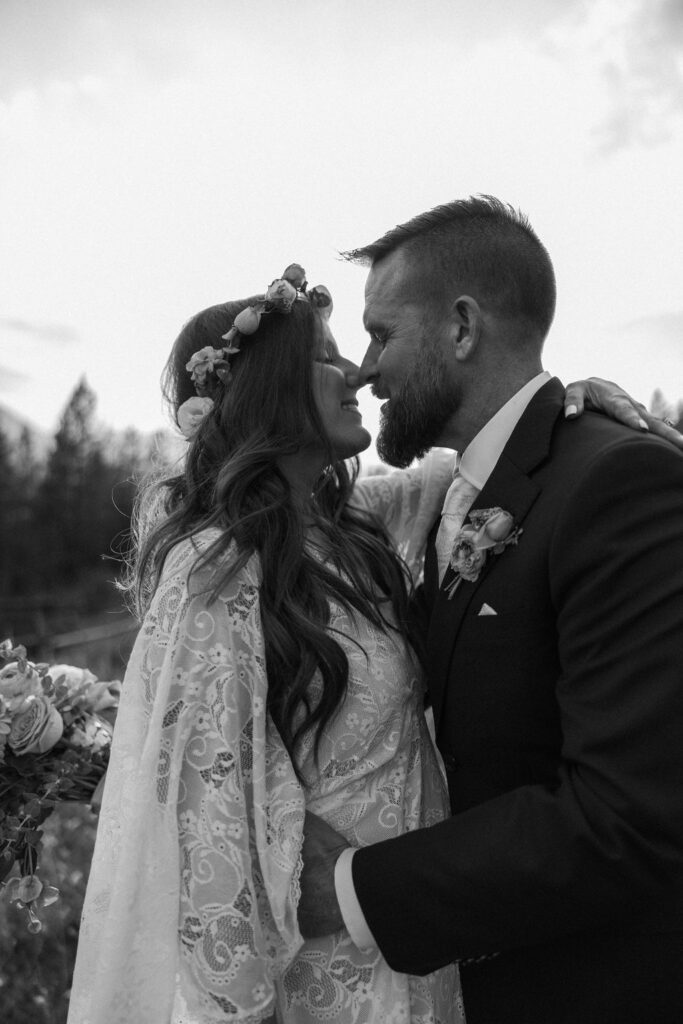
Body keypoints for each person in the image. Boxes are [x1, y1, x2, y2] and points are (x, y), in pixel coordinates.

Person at [297, 197, 683, 1024]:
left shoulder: (618, 482)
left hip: (594, 991)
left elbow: (626, 819)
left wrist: (355, 892)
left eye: (379, 333)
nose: (365, 370)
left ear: (462, 328)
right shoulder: (451, 495)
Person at [66, 270, 465, 1024]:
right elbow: (210, 823)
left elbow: (468, 467)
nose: (357, 373)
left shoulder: (355, 529)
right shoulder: (214, 569)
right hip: (311, 974)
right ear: (264, 390)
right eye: (325, 356)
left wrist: (572, 405)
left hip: (408, 941)